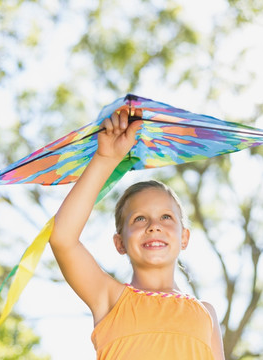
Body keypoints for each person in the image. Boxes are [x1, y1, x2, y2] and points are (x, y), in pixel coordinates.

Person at [49, 109, 225, 360]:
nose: (154, 226)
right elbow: (62, 238)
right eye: (139, 218)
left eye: (166, 217)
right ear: (119, 243)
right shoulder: (109, 299)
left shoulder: (205, 314)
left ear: (184, 237)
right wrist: (105, 158)